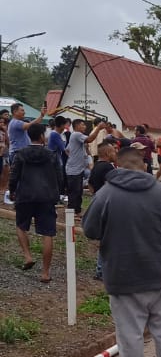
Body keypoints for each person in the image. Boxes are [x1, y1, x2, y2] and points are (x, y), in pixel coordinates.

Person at [82, 145, 161, 357]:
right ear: (144, 166)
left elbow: (90, 230)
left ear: (117, 166)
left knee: (129, 335)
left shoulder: (105, 195)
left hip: (123, 276)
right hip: (160, 275)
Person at [8, 121, 61, 282]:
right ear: (41, 136)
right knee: (47, 234)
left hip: (25, 195)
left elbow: (14, 174)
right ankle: (45, 273)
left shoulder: (21, 153)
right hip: (46, 197)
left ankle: (28, 255)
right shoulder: (51, 155)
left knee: (20, 226)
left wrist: (12, 191)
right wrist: (58, 193)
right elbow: (60, 176)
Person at [65, 117, 107, 219]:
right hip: (74, 170)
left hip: (76, 169)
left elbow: (67, 150)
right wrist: (98, 128)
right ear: (77, 126)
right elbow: (90, 139)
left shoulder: (76, 138)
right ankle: (72, 213)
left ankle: (77, 211)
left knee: (78, 191)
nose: (85, 126)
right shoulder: (76, 134)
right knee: (74, 192)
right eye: (83, 124)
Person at [88, 142, 117, 279]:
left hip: (98, 203)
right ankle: (102, 270)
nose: (115, 153)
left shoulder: (95, 167)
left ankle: (101, 269)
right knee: (110, 238)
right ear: (107, 153)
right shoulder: (108, 168)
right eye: (113, 151)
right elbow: (112, 186)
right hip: (109, 206)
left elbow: (90, 185)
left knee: (106, 238)